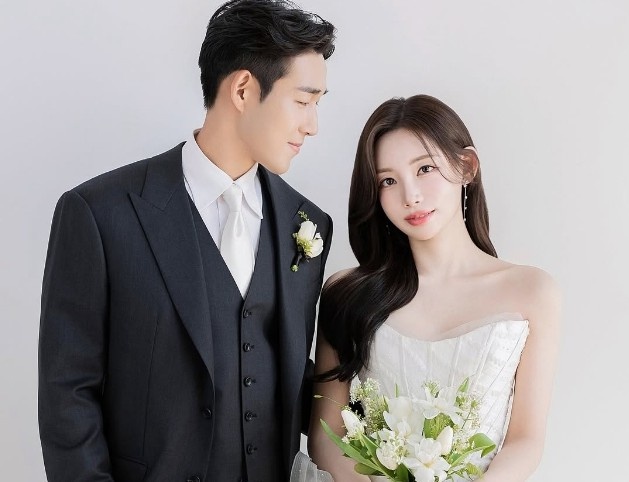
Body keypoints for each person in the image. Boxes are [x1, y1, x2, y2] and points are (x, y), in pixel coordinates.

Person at [38, 1, 335, 481]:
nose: (313, 125)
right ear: (243, 89)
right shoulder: (99, 214)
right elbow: (67, 394)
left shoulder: (307, 223)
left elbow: (288, 376)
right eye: (303, 101)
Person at [307, 94, 560, 482]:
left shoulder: (533, 291)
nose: (410, 196)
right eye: (388, 180)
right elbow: (327, 437)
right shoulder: (346, 294)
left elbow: (526, 440)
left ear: (467, 166)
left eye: (424, 169)